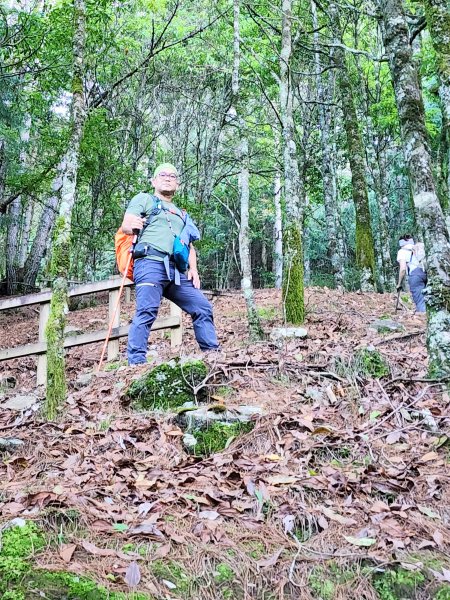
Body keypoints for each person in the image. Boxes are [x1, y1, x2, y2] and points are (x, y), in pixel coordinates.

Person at [121, 163, 220, 364]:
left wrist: (194, 269)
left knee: (202, 307)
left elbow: (189, 244)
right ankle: (136, 361)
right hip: (149, 263)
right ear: (154, 181)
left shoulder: (182, 214)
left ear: (178, 184)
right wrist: (133, 225)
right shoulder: (145, 199)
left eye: (172, 176)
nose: (168, 178)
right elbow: (126, 224)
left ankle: (213, 355)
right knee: (147, 310)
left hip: (175, 270)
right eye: (163, 175)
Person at [396, 234, 427, 313]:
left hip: (415, 275)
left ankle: (422, 318)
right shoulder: (419, 247)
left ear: (401, 244)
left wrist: (399, 283)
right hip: (426, 272)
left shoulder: (402, 251)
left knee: (420, 299)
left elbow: (403, 269)